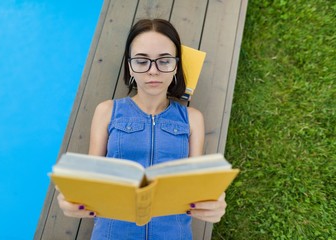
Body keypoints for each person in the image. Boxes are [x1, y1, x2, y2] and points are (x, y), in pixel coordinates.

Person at [57, 18, 227, 239]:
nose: (153, 71)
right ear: (130, 66)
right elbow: (92, 182)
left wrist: (215, 203)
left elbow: (196, 189)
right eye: (141, 61)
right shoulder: (106, 111)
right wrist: (72, 199)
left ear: (176, 66)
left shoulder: (193, 119)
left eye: (164, 61)